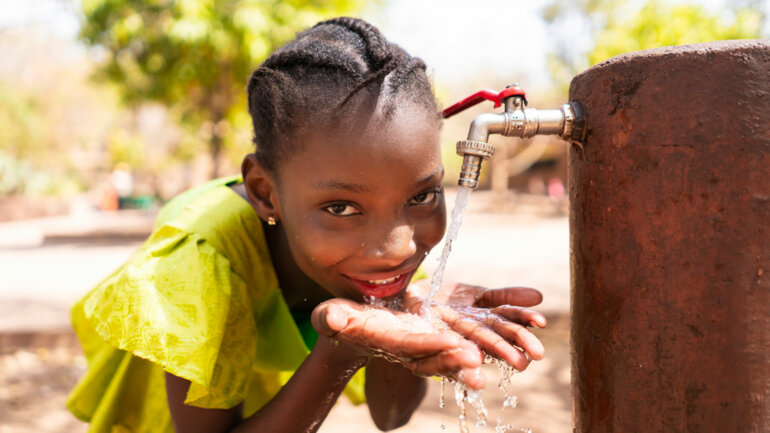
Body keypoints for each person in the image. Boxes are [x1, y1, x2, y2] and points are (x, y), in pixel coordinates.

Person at [67, 17, 547, 433]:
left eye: (422, 196)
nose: (398, 248)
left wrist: (404, 315)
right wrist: (340, 351)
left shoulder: (380, 258)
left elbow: (391, 416)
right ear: (265, 193)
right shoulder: (202, 262)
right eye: (341, 208)